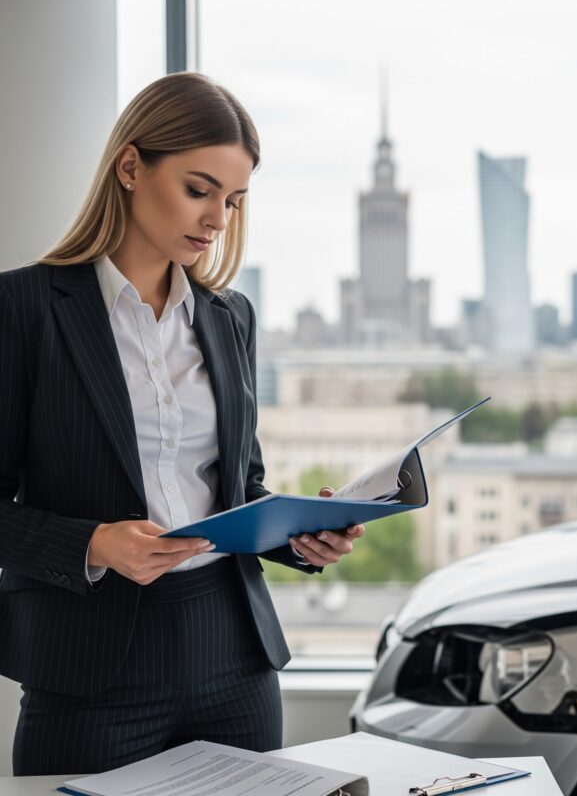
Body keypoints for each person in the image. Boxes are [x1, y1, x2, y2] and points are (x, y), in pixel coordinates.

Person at [0, 71, 364, 775]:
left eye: (233, 200)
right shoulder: (24, 309)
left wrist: (299, 538)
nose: (217, 219)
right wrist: (96, 543)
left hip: (232, 658)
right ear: (131, 166)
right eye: (199, 190)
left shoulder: (231, 318)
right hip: (88, 669)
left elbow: (238, 485)